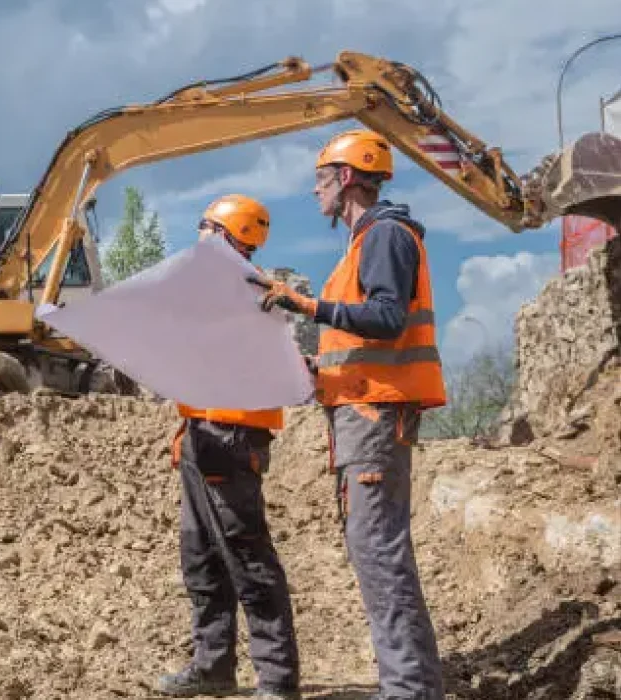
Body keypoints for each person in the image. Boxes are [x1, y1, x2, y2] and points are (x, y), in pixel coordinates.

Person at [246, 129, 448, 700]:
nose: (315, 192)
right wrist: (316, 370)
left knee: (380, 553)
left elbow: (385, 319)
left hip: (377, 416)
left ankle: (409, 690)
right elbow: (363, 339)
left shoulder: (384, 235)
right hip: (364, 411)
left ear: (349, 176)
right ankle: (411, 685)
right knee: (376, 550)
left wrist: (304, 303)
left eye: (321, 179)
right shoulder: (366, 242)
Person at [157, 194, 301, 700]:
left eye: (203, 228)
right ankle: (213, 665)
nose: (197, 237)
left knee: (247, 559)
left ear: (223, 233)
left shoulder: (247, 290)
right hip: (204, 434)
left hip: (232, 438)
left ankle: (278, 682)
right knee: (202, 559)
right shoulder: (220, 290)